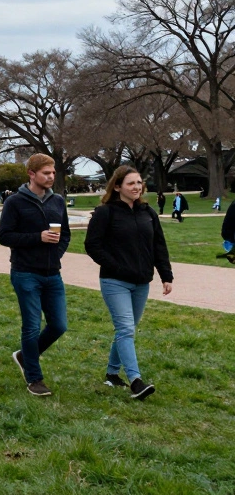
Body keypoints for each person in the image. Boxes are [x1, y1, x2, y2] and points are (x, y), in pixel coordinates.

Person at [84, 165, 174, 400]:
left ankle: (112, 374)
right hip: (115, 282)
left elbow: (159, 246)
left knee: (128, 329)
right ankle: (136, 381)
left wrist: (166, 276)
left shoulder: (148, 212)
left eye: (138, 183)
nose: (136, 187)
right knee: (125, 328)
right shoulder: (105, 213)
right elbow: (92, 246)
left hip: (142, 282)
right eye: (130, 183)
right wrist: (116, 266)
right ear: (117, 186)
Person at [0, 154, 71, 397]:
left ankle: (24, 356)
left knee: (59, 325)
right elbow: (4, 236)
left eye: (52, 173)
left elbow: (66, 235)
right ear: (31, 174)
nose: (51, 177)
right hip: (25, 272)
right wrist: (37, 237)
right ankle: (34, 378)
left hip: (53, 274)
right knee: (31, 326)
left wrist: (56, 254)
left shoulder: (57, 201)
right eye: (46, 173)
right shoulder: (15, 202)